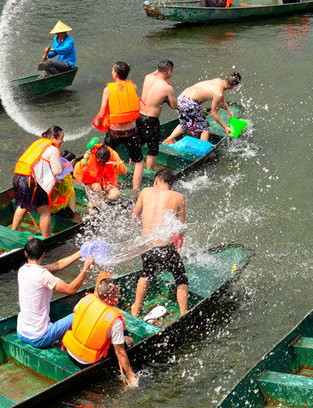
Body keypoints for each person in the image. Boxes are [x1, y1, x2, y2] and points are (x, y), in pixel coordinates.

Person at [130, 169, 188, 317]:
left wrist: (145, 229)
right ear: (172, 186)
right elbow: (181, 227)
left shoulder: (145, 191)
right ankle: (183, 314)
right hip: (165, 247)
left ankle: (136, 309)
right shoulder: (179, 197)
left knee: (146, 273)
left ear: (156, 181)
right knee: (181, 278)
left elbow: (134, 216)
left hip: (147, 245)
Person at [17, 237, 92, 348]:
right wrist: (86, 267)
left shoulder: (22, 270)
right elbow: (71, 289)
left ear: (25, 254)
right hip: (39, 338)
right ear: (43, 254)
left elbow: (58, 265)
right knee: (82, 314)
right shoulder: (43, 275)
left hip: (21, 333)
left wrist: (81, 253)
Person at [63, 277, 138, 386]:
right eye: (117, 293)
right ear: (111, 297)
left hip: (70, 351)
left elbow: (75, 309)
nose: (119, 296)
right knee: (129, 340)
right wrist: (131, 376)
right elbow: (120, 352)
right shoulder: (115, 321)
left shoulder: (87, 299)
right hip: (86, 361)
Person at [93, 61, 145, 196]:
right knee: (138, 162)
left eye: (112, 70)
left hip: (114, 133)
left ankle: (105, 188)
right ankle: (135, 193)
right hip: (131, 132)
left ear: (115, 74)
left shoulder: (107, 90)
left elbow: (102, 112)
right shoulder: (133, 87)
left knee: (103, 159)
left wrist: (98, 122)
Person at [11, 126, 67, 238]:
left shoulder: (37, 144)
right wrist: (62, 166)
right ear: (53, 138)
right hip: (32, 182)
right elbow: (57, 171)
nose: (62, 141)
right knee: (45, 211)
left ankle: (12, 231)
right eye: (61, 138)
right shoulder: (53, 149)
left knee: (23, 205)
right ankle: (47, 240)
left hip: (18, 176)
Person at [164, 72, 241, 143]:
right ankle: (202, 149)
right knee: (205, 128)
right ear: (234, 86)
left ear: (226, 77)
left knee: (184, 122)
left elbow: (221, 98)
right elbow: (214, 114)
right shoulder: (218, 93)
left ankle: (169, 139)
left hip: (182, 98)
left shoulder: (218, 81)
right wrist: (225, 127)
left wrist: (227, 108)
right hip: (190, 103)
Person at [137, 60, 177, 171]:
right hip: (151, 120)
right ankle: (149, 173)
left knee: (137, 146)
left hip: (139, 117)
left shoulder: (148, 78)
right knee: (152, 151)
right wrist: (166, 99)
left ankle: (132, 167)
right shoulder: (167, 88)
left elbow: (157, 72)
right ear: (169, 72)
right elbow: (174, 106)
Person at [51, 150, 78, 220]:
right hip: (55, 205)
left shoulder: (55, 169)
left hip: (54, 201)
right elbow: (64, 191)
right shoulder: (62, 176)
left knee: (71, 190)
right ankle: (72, 215)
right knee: (71, 190)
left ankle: (71, 213)